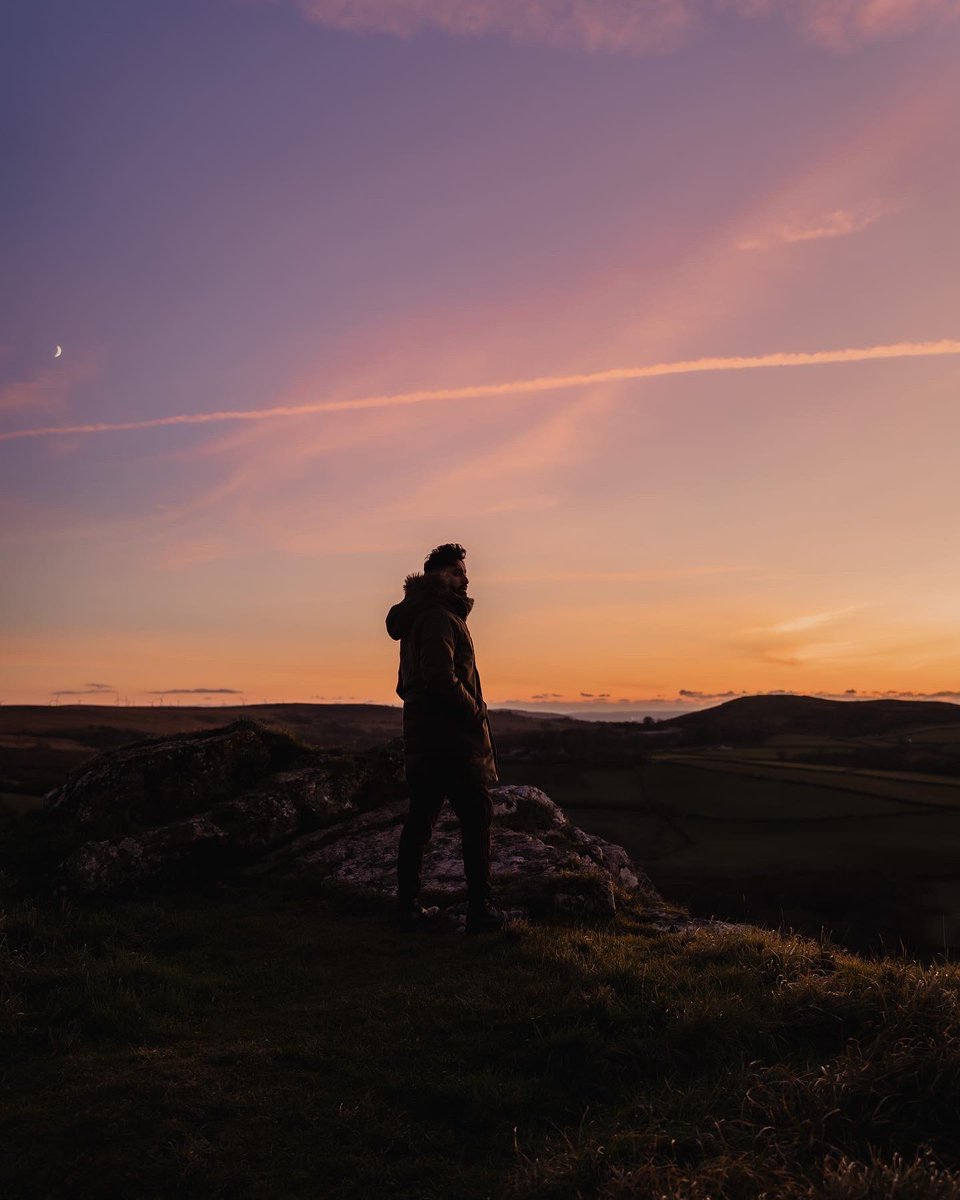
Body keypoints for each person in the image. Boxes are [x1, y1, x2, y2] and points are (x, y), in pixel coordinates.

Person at [385, 543, 504, 934]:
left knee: (421, 819)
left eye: (464, 571)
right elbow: (440, 678)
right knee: (477, 817)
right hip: (451, 738)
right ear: (436, 575)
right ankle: (481, 911)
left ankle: (407, 908)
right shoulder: (437, 617)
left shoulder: (427, 615)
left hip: (425, 735)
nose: (464, 578)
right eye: (456, 571)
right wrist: (475, 712)